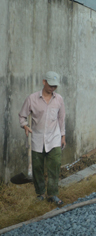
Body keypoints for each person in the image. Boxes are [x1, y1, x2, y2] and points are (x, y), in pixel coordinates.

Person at [18, 71, 66, 206]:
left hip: (54, 138)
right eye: (51, 85)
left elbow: (61, 118)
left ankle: (52, 194)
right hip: (37, 139)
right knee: (37, 168)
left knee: (54, 167)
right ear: (44, 82)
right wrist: (25, 126)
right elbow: (22, 115)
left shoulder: (59, 99)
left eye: (55, 86)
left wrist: (63, 136)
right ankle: (40, 194)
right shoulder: (32, 99)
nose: (53, 88)